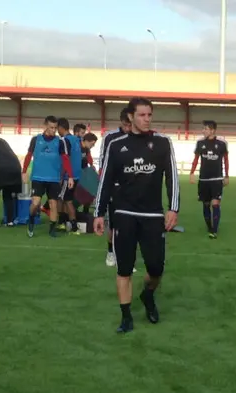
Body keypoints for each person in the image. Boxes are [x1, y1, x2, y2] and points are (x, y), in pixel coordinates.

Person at [93, 97, 179, 333]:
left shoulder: (162, 143)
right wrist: (98, 213)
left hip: (152, 214)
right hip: (123, 213)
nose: (147, 119)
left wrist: (173, 208)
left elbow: (172, 177)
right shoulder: (115, 144)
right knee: (124, 268)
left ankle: (148, 295)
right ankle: (126, 316)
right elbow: (106, 180)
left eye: (150, 115)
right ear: (130, 117)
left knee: (156, 268)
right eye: (142, 115)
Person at [21, 115, 74, 238]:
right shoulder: (36, 139)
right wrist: (24, 171)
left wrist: (70, 176)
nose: (53, 130)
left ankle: (52, 230)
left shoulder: (59, 142)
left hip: (53, 179)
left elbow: (65, 160)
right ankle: (31, 219)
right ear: (45, 126)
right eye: (51, 127)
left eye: (55, 128)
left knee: (53, 204)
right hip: (38, 177)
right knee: (36, 202)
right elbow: (29, 155)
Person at [99, 108, 133, 267]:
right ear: (122, 122)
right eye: (126, 125)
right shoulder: (110, 137)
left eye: (130, 125)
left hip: (132, 189)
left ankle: (127, 258)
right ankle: (111, 251)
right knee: (113, 224)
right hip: (114, 188)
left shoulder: (137, 137)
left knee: (131, 225)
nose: (128, 129)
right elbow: (103, 163)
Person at [189, 120, 229, 239]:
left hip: (217, 179)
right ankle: (209, 227)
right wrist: (192, 173)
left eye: (205, 129)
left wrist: (226, 175)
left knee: (215, 204)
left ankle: (214, 231)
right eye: (203, 129)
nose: (203, 131)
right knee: (206, 204)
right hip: (203, 180)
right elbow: (196, 159)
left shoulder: (222, 144)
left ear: (212, 130)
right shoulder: (200, 143)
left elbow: (226, 160)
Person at [57, 117, 82, 233]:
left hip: (69, 176)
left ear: (61, 128)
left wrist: (62, 176)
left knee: (64, 200)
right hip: (76, 175)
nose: (57, 131)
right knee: (65, 199)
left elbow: (65, 159)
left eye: (57, 128)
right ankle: (63, 223)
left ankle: (72, 226)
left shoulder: (64, 140)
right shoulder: (76, 139)